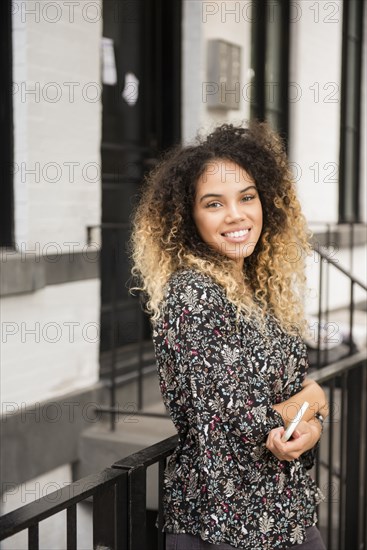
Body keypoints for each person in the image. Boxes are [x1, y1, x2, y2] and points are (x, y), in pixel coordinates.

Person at [130, 122, 328, 550]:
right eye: (214, 203)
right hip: (221, 524)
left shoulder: (262, 289)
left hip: (288, 512)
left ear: (266, 204)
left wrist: (310, 427)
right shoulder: (193, 295)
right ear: (188, 217)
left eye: (248, 197)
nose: (236, 215)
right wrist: (311, 401)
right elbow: (229, 427)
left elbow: (297, 400)